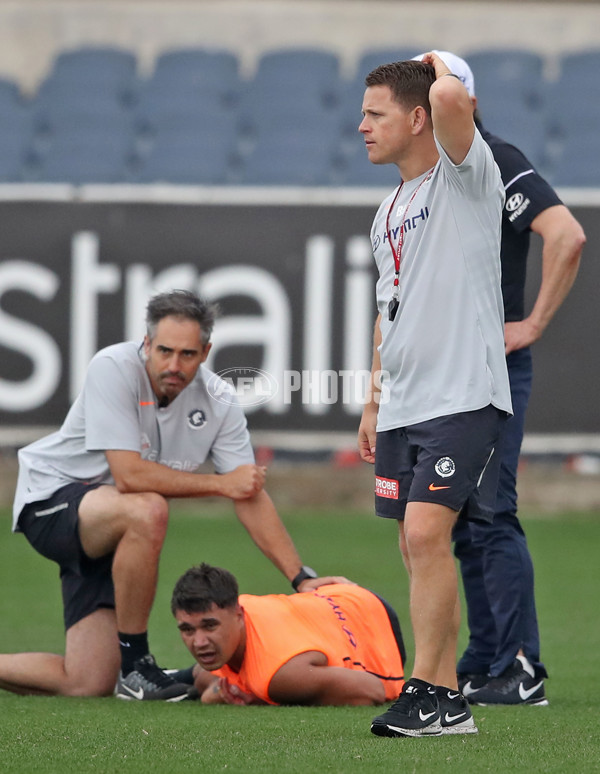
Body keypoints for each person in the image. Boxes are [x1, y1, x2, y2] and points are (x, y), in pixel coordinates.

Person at [1, 290, 348, 701]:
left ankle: (129, 672)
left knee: (86, 682)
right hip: (52, 500)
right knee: (147, 508)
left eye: (187, 354)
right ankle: (137, 665)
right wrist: (220, 484)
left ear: (206, 352)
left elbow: (249, 492)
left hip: (110, 523)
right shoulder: (113, 366)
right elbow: (129, 475)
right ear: (146, 344)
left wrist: (300, 577)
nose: (173, 365)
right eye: (164, 350)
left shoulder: (219, 400)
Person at [410, 51, 585, 706]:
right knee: (461, 516)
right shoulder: (433, 175)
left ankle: (520, 667)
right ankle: (486, 659)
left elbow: (566, 236)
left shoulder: (495, 159)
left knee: (489, 515)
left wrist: (533, 322)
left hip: (490, 366)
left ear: (465, 103)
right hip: (451, 368)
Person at [357, 54, 512, 738]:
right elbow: (387, 311)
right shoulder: (385, 209)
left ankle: (430, 691)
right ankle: (444, 700)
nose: (360, 126)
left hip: (464, 393)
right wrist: (372, 398)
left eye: (375, 113)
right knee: (417, 547)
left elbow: (452, 92)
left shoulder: (465, 176)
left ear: (417, 118)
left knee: (426, 533)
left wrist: (434, 62)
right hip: (404, 403)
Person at [170, 562, 408, 710]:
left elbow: (371, 690)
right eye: (187, 630)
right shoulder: (238, 608)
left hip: (376, 626)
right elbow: (208, 680)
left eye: (210, 626)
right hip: (334, 599)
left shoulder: (280, 677)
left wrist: (262, 698)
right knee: (201, 676)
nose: (199, 642)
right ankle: (161, 676)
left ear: (238, 614)